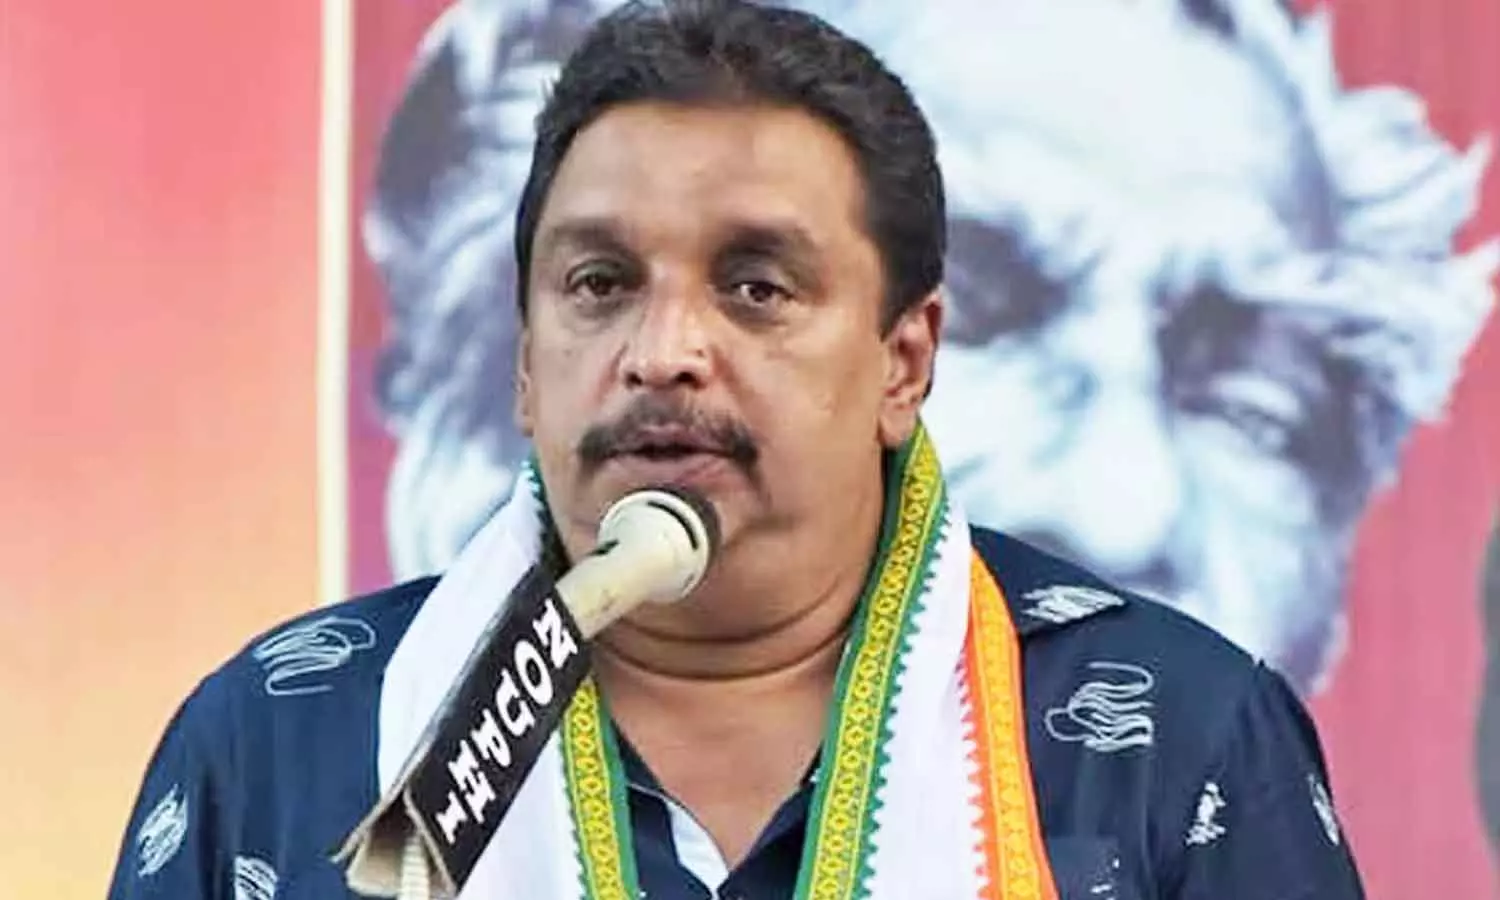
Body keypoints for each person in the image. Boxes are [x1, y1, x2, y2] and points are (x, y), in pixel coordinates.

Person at [109, 1, 1369, 897]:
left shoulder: (1180, 739)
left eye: (756, 287)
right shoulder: (280, 740)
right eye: (600, 284)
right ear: (525, 362)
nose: (663, 352)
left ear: (903, 362)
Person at [365, 0, 1497, 698]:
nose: (1123, 507)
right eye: (1001, 305)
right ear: (506, 379)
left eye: (1256, 403)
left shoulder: (1213, 755)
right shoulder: (299, 741)